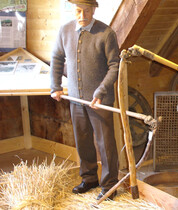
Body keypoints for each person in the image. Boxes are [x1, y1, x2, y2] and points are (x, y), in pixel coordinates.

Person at [50, 0, 120, 200]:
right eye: (79, 11)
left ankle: (109, 185)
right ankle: (89, 178)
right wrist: (55, 86)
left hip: (101, 101)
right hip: (75, 99)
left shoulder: (106, 34)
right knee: (83, 142)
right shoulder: (64, 31)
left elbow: (115, 65)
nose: (83, 15)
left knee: (106, 145)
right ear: (74, 10)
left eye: (87, 10)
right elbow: (56, 58)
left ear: (94, 10)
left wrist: (101, 90)